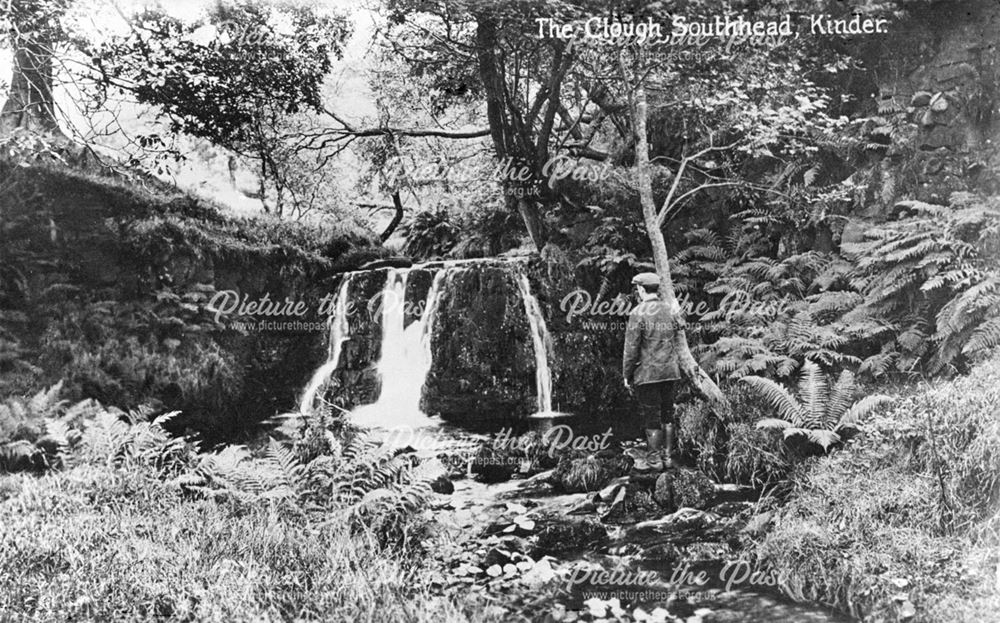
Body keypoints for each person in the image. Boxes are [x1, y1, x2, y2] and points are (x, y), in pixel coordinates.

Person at [622, 272, 682, 471]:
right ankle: (667, 458)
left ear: (640, 290)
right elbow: (680, 326)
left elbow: (631, 348)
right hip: (670, 372)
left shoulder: (637, 313)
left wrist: (626, 374)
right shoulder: (669, 310)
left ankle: (654, 461)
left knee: (651, 415)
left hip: (648, 374)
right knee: (667, 412)